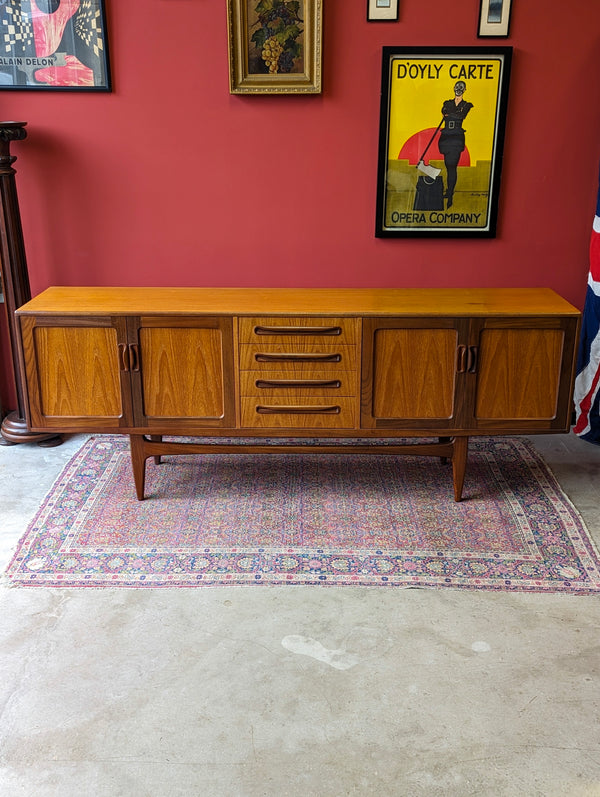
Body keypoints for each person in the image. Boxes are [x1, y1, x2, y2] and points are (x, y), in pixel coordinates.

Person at [438, 80, 473, 208]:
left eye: (461, 87)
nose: (458, 89)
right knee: (449, 167)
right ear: (453, 88)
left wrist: (451, 115)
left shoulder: (467, 105)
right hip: (446, 138)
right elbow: (444, 111)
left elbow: (461, 116)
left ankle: (450, 194)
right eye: (457, 86)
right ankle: (449, 191)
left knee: (452, 167)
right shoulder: (447, 103)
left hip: (456, 140)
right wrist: (453, 114)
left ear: (464, 90)